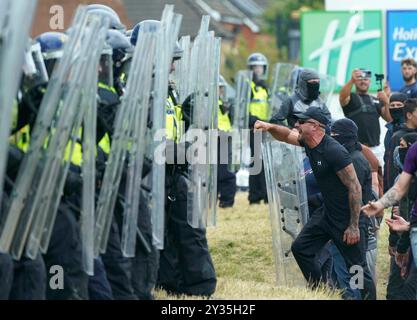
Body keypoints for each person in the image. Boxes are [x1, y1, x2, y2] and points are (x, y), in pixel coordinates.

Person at [254, 108, 376, 299]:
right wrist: (269, 126)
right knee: (301, 248)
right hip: (327, 213)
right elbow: (286, 135)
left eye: (301, 122)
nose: (297, 125)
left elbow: (355, 188)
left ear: (315, 126)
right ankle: (322, 292)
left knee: (356, 268)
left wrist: (353, 226)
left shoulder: (334, 151)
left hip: (347, 219)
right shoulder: (309, 142)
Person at [339, 69, 391, 165]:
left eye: (366, 79)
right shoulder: (351, 97)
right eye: (359, 79)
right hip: (357, 149)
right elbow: (342, 96)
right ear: (355, 81)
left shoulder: (375, 99)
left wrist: (387, 101)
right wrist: (351, 80)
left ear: (370, 82)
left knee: (380, 178)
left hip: (376, 148)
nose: (363, 81)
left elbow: (389, 119)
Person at [247, 52, 269, 204]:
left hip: (267, 127)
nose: (258, 70)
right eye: (255, 67)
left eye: (261, 67)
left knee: (265, 161)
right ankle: (255, 195)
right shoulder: (249, 86)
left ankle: (266, 194)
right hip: (254, 128)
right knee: (257, 161)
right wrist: (253, 120)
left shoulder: (265, 88)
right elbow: (243, 108)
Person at [217, 75, 236, 208]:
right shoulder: (208, 103)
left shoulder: (223, 103)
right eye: (218, 88)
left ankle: (226, 201)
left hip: (224, 139)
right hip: (211, 139)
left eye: (221, 88)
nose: (220, 91)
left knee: (226, 172)